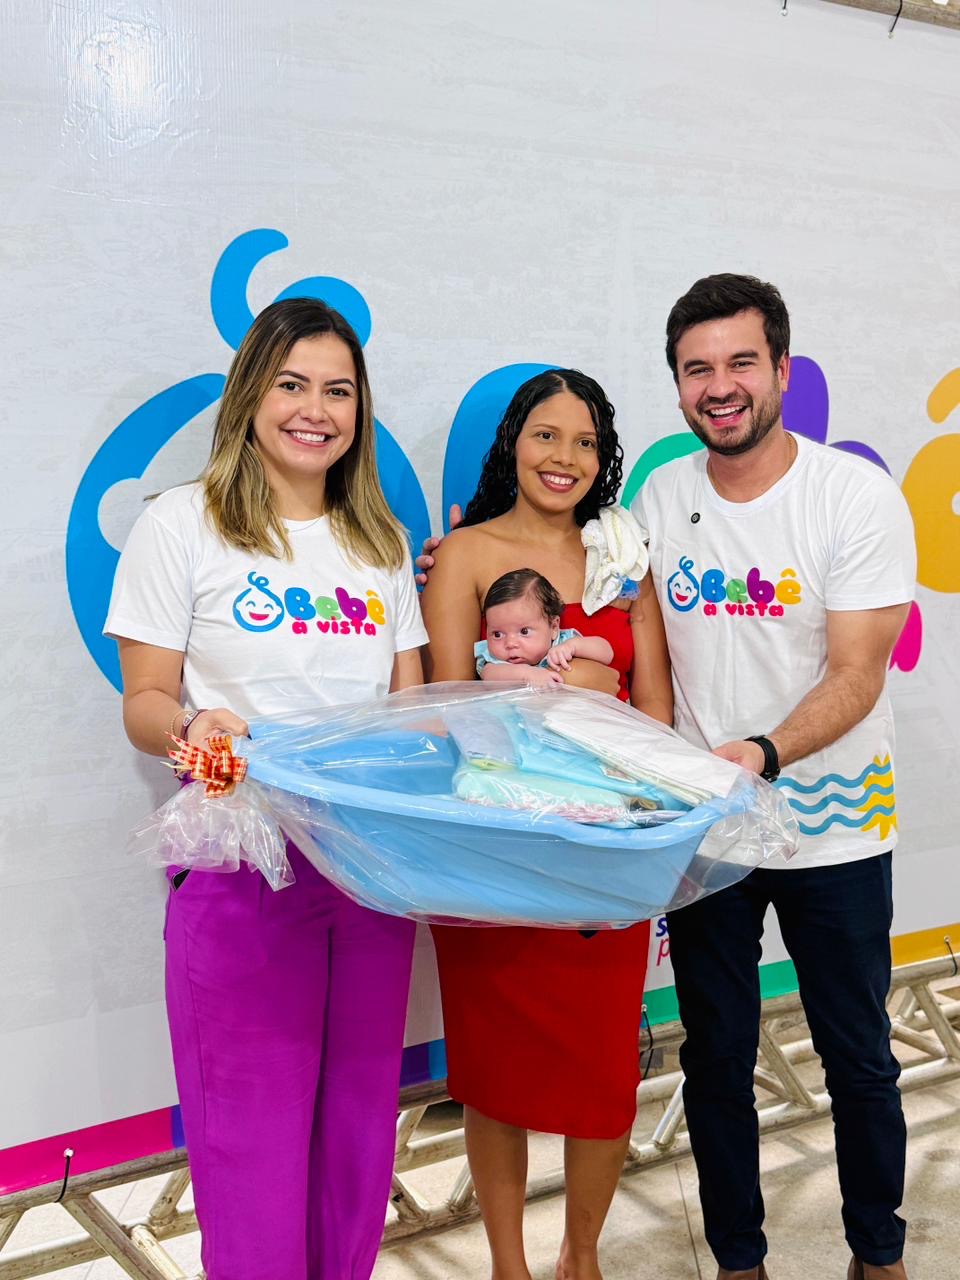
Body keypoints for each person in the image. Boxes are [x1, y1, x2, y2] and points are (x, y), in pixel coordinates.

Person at [104, 298, 427, 1280]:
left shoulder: (379, 542)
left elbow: (408, 713)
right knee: (251, 1147)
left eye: (339, 390)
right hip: (239, 864)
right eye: (292, 384)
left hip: (366, 868)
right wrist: (192, 730)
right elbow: (144, 700)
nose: (315, 410)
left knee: (358, 1137)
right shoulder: (181, 524)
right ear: (250, 394)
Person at [633, 274, 916, 1280]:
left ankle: (878, 1253)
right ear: (678, 384)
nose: (720, 386)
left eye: (741, 362)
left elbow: (857, 674)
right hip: (712, 831)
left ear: (782, 369)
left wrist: (761, 753)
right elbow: (613, 619)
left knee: (858, 1055)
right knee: (715, 1056)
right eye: (697, 368)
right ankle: (740, 1261)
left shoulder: (853, 496)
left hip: (834, 827)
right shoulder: (659, 500)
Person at [420, 368, 673, 1280]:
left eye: (586, 442)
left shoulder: (624, 556)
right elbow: (445, 708)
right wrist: (564, 690)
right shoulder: (463, 555)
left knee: (604, 1073)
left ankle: (581, 1259)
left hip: (607, 854)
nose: (566, 457)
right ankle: (508, 1266)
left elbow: (657, 712)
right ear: (512, 444)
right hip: (495, 856)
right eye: (546, 435)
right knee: (494, 1074)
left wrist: (599, 709)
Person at [476, 567, 615, 686]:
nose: (510, 644)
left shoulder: (563, 643)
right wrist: (526, 674)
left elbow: (607, 653)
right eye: (498, 634)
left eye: (524, 631)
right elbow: (488, 675)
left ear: (553, 627)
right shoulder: (495, 659)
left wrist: (573, 647)